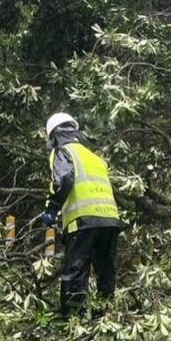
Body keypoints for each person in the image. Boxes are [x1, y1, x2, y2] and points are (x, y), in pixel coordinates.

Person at [41, 112, 121, 318]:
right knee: (105, 270)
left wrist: (52, 208)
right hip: (110, 220)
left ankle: (72, 321)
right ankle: (105, 317)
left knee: (75, 270)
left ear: (54, 136)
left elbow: (64, 179)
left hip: (83, 220)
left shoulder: (63, 152)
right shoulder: (95, 157)